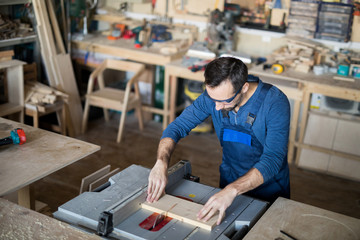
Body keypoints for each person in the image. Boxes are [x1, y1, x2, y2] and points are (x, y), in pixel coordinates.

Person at [146, 57, 290, 225]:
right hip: (228, 182)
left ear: (244, 87)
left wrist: (232, 190)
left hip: (269, 189)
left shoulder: (275, 103)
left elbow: (272, 159)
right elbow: (176, 127)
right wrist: (161, 162)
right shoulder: (214, 97)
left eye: (224, 101)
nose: (216, 107)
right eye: (212, 98)